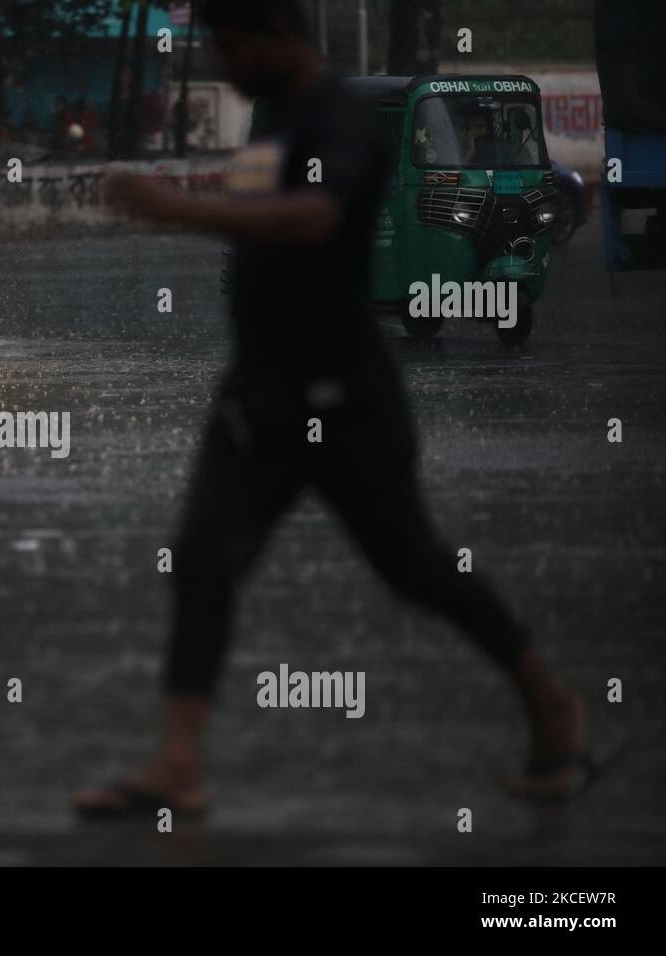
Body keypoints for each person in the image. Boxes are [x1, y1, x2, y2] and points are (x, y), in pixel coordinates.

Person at [74, 0, 589, 819]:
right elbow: (258, 209)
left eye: (232, 46)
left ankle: (552, 704)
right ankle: (178, 765)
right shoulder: (275, 115)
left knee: (415, 567)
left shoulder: (340, 119)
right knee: (202, 560)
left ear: (279, 37)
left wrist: (181, 209)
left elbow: (315, 219)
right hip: (260, 395)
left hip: (345, 398)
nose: (224, 65)